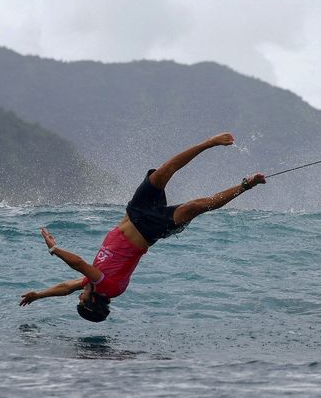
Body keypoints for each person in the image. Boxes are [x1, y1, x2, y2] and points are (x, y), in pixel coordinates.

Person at [19, 132, 265, 322]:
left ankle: (209, 142)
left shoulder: (89, 285)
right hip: (149, 230)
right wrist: (54, 249)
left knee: (163, 172)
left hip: (135, 211)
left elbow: (65, 288)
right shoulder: (107, 287)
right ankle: (245, 186)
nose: (79, 295)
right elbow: (79, 264)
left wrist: (38, 295)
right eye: (81, 300)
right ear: (91, 302)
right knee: (196, 207)